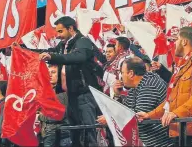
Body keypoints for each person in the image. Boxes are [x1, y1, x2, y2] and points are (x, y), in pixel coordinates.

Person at [138, 27, 192, 146]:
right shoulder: (185, 65)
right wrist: (149, 115)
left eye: (176, 39)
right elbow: (171, 102)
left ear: (184, 41)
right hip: (184, 131)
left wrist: (176, 114)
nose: (174, 43)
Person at [39, 16, 103, 147]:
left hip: (85, 95)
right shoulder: (64, 45)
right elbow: (49, 52)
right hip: (71, 96)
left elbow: (79, 56)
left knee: (88, 132)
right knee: (75, 133)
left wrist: (54, 57)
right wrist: (24, 50)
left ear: (71, 28)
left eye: (61, 31)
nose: (58, 35)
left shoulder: (83, 41)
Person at [98, 57, 172, 147]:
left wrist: (110, 119)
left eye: (122, 73)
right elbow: (126, 110)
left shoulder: (150, 84)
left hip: (159, 143)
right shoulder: (137, 86)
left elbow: (137, 116)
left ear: (131, 73)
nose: (121, 77)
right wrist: (117, 95)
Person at [38, 65, 71, 147]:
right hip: (48, 134)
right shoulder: (44, 92)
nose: (49, 75)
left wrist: (39, 116)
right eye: (48, 72)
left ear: (59, 75)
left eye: (53, 72)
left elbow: (57, 115)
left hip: (61, 134)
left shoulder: (63, 93)